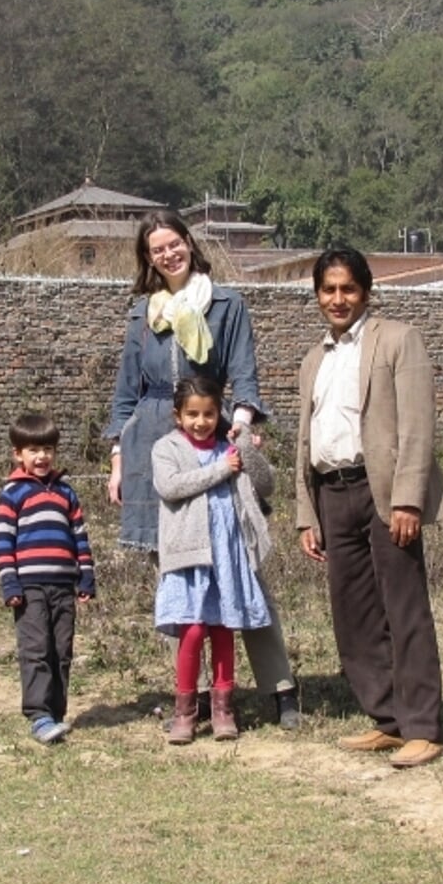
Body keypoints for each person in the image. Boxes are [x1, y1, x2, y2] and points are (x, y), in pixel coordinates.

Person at [105, 210, 301, 729]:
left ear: (190, 244)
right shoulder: (140, 316)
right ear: (148, 259)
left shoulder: (225, 304)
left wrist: (238, 426)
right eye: (157, 249)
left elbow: (243, 374)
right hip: (155, 448)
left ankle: (280, 688)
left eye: (175, 244)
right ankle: (190, 701)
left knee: (241, 571)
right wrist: (119, 458)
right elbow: (126, 394)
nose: (168, 254)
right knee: (178, 577)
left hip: (216, 443)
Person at [295, 247, 443, 770]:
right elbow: (305, 440)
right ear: (317, 295)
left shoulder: (398, 340)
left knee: (403, 607)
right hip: (332, 494)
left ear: (366, 291)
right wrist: (307, 513)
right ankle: (386, 717)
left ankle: (422, 726)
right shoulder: (314, 359)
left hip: (383, 492)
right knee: (353, 612)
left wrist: (407, 499)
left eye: (347, 289)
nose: (337, 299)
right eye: (328, 290)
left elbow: (417, 426)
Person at [152, 376, 275, 744]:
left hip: (227, 551)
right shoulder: (166, 448)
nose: (201, 422)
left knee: (224, 628)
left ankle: (224, 709)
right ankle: (185, 711)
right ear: (178, 416)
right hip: (190, 555)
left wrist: (246, 450)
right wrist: (223, 467)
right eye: (192, 414)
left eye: (208, 414)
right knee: (191, 629)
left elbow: (266, 484)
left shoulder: (229, 446)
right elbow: (171, 486)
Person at [0, 413, 96, 745]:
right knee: (36, 650)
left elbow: (80, 536)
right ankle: (39, 715)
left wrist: (85, 577)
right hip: (30, 588)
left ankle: (57, 712)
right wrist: (10, 583)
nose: (42, 457)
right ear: (18, 454)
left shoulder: (66, 493)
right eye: (34, 450)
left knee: (62, 650)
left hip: (63, 586)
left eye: (48, 449)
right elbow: (3, 543)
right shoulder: (12, 494)